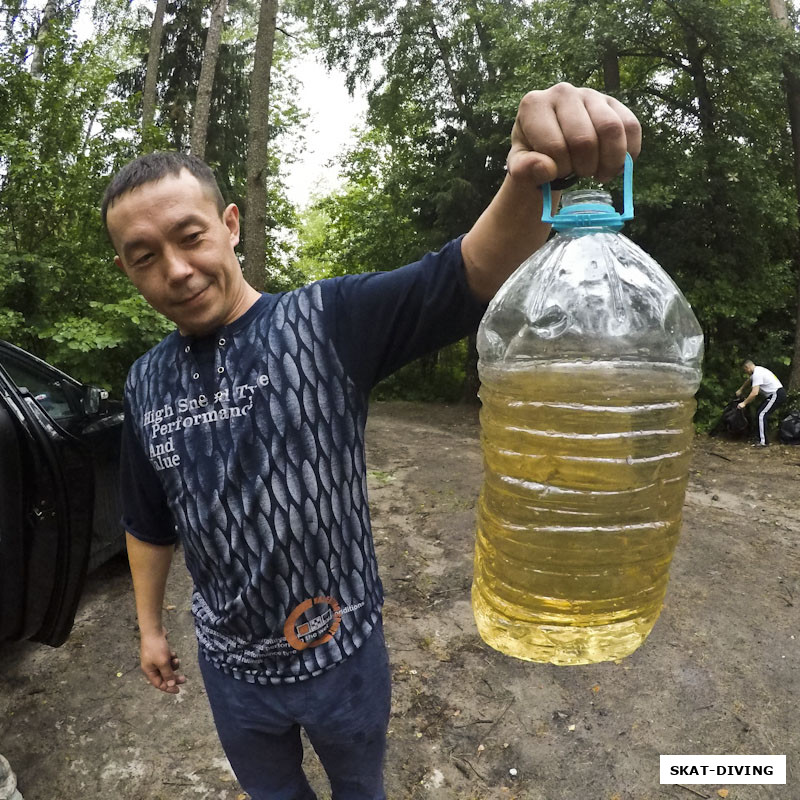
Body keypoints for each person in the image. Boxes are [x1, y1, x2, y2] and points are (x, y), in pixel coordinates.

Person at [103, 83, 641, 800]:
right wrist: (148, 628)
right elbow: (147, 522)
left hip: (342, 657)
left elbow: (465, 273)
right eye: (144, 256)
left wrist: (529, 172)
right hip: (233, 673)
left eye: (190, 236)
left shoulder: (329, 322)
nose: (174, 268)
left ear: (230, 225)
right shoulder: (144, 384)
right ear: (127, 270)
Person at [736, 359, 786, 447]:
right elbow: (749, 380)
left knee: (761, 414)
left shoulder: (757, 374)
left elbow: (754, 393)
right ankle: (759, 437)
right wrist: (741, 389)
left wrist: (744, 403)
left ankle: (763, 442)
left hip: (776, 394)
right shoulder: (757, 370)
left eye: (745, 370)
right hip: (774, 394)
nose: (746, 372)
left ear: (747, 367)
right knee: (759, 412)